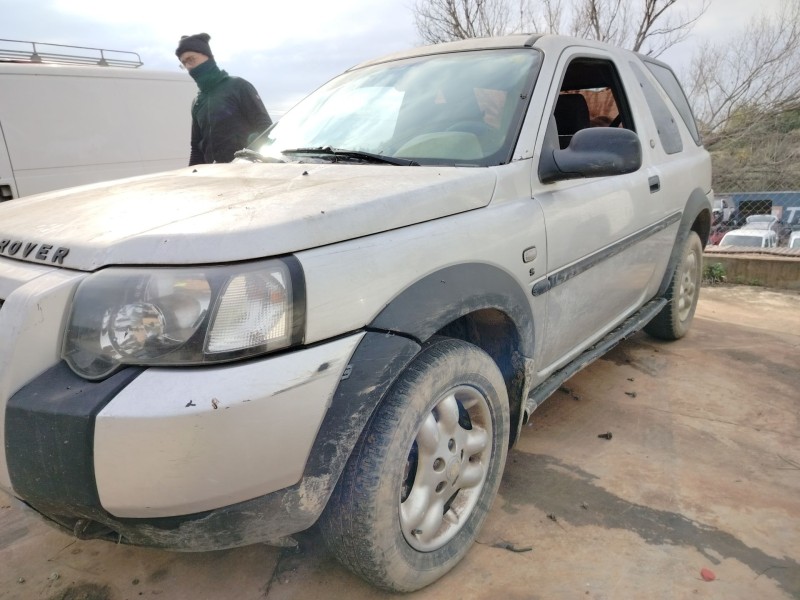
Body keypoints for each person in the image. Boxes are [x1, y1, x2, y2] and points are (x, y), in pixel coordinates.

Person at [175, 33, 272, 165]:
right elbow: (196, 148)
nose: (189, 66)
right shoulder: (197, 102)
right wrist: (191, 176)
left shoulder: (238, 86)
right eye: (184, 63)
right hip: (216, 177)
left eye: (191, 59)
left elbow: (266, 129)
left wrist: (247, 161)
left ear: (207, 56)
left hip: (247, 173)